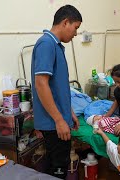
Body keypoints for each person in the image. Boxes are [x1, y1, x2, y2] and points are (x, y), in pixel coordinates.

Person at [31, 5, 82, 179]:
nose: (75, 34)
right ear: (65, 22)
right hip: (54, 123)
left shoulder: (56, 45)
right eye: (75, 28)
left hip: (59, 118)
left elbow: (57, 86)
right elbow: (41, 84)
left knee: (57, 164)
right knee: (59, 167)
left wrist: (70, 112)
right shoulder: (46, 44)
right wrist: (60, 120)